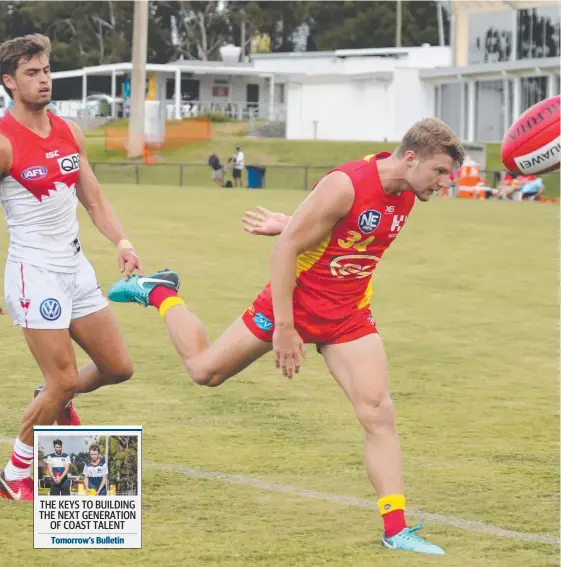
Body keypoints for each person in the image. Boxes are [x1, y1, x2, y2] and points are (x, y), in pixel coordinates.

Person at [108, 118, 465, 555]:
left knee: (378, 413)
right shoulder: (347, 182)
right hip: (293, 304)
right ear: (411, 158)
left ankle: (396, 529)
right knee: (204, 372)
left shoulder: (408, 191)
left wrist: (292, 222)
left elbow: (334, 230)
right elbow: (285, 251)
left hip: (348, 316)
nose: (443, 184)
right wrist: (285, 326)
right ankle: (160, 292)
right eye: (440, 172)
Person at [0, 34, 143, 501]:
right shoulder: (4, 142)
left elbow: (94, 197)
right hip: (33, 272)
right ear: (9, 82)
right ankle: (14, 472)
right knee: (62, 379)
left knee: (118, 366)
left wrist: (121, 240)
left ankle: (49, 396)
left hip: (76, 268)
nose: (43, 80)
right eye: (31, 73)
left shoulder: (68, 131)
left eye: (45, 71)